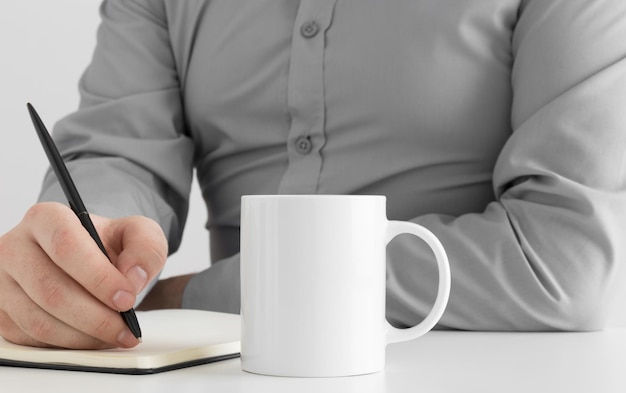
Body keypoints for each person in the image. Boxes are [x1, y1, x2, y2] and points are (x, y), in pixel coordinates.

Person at [1, 0, 626, 350]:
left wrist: (184, 297)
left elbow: (560, 258)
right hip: (232, 387)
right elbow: (118, 150)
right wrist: (86, 252)